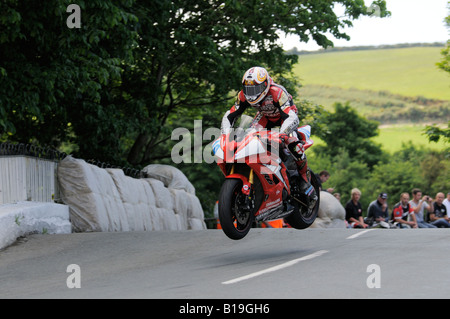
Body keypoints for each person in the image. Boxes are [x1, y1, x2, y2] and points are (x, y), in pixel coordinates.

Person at [221, 66, 316, 206]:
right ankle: (265, 172)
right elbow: (231, 115)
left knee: (292, 143)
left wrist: (283, 134)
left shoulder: (277, 92)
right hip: (265, 117)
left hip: (286, 117)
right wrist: (226, 135)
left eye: (255, 89)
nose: (251, 94)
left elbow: (290, 115)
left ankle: (304, 179)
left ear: (265, 84)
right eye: (248, 89)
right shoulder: (242, 95)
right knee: (249, 138)